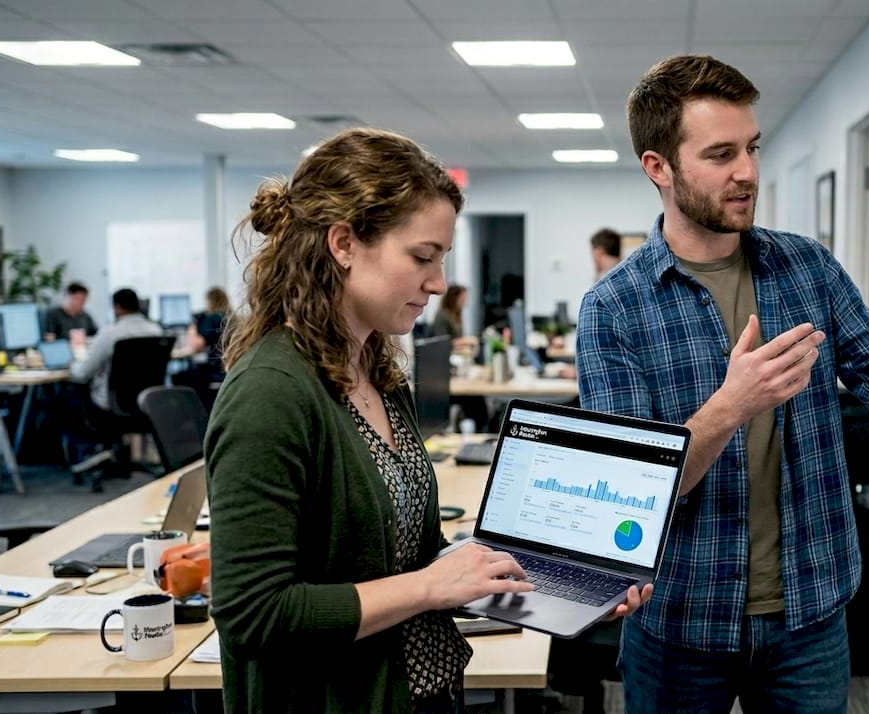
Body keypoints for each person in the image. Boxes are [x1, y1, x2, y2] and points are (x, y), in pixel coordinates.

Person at [575, 55, 869, 714]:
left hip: (808, 614)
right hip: (680, 621)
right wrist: (733, 405)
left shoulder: (806, 268)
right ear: (659, 168)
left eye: (753, 148)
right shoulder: (614, 307)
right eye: (722, 153)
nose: (748, 172)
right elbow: (626, 493)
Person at [204, 127, 650, 713]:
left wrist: (518, 576)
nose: (438, 283)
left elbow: (403, 556)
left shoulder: (378, 375)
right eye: (422, 257)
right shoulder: (271, 392)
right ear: (343, 243)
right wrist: (430, 586)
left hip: (420, 690)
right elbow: (252, 615)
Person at [69, 287, 162, 411]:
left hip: (112, 404)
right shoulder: (156, 331)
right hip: (146, 401)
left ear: (117, 307)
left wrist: (72, 365)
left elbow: (82, 374)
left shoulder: (110, 334)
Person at [172, 286, 230, 407]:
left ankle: (187, 414)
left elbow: (196, 346)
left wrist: (193, 325)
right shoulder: (231, 316)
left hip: (216, 372)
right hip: (227, 370)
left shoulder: (214, 317)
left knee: (179, 376)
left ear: (210, 301)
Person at [428, 284, 478, 351]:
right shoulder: (442, 315)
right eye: (463, 298)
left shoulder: (456, 315)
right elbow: (441, 342)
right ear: (453, 298)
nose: (465, 302)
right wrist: (465, 341)